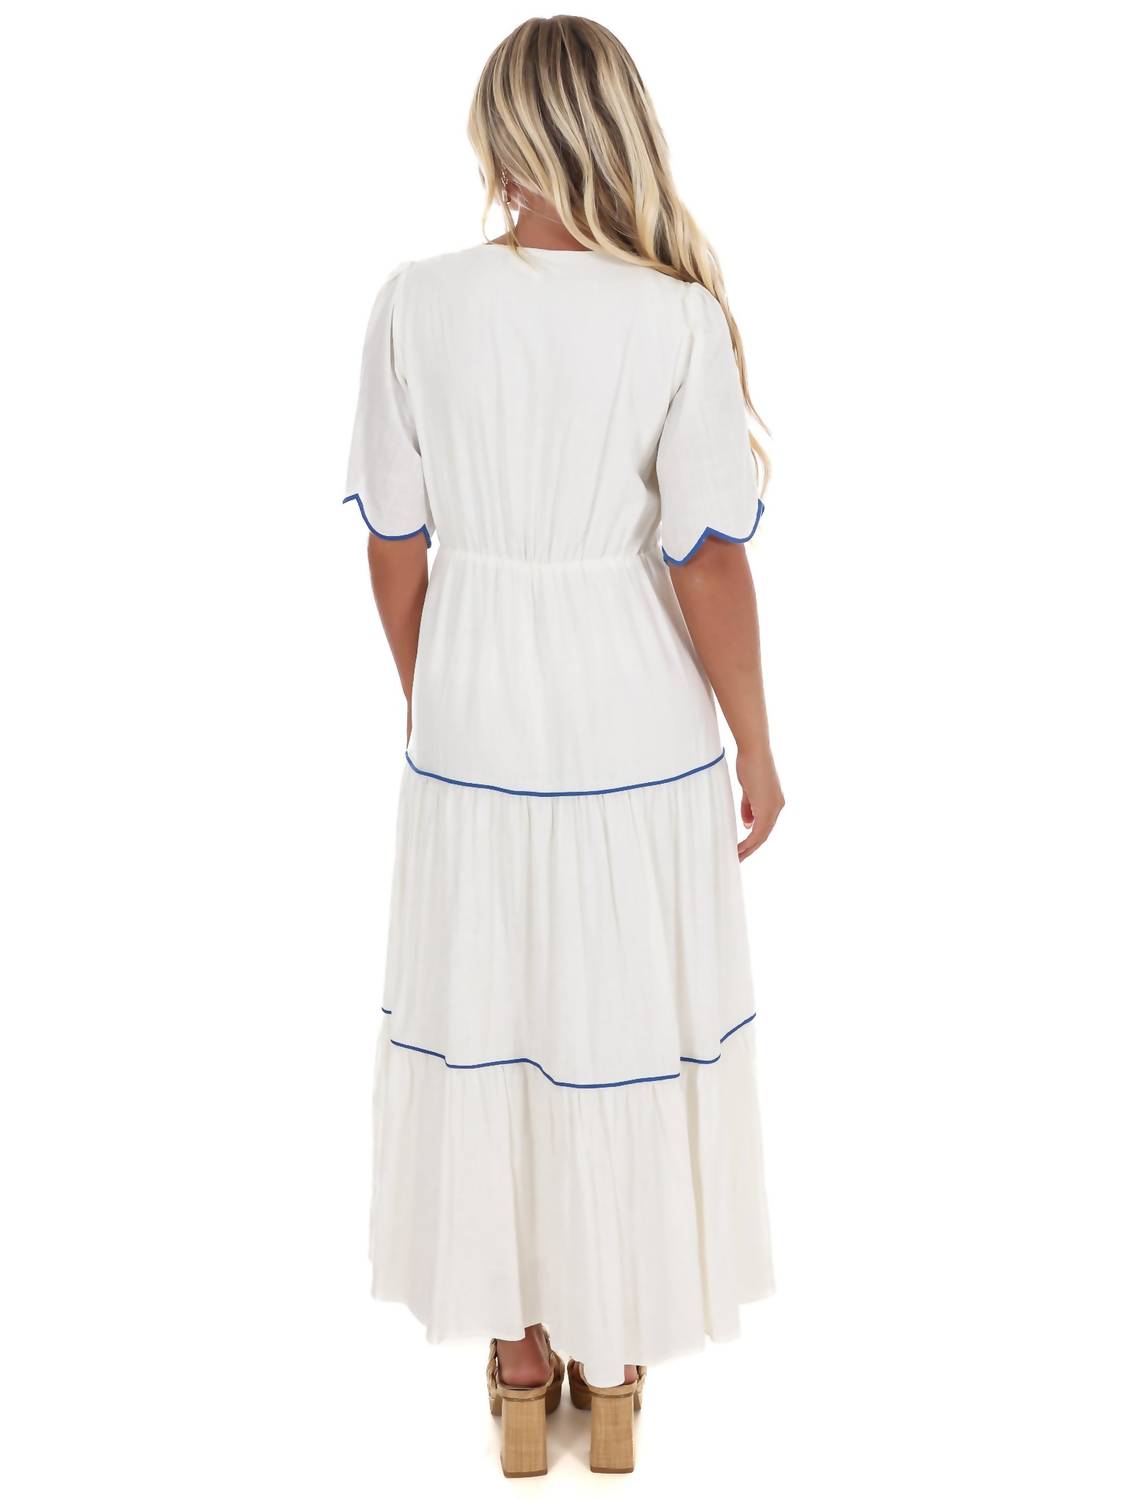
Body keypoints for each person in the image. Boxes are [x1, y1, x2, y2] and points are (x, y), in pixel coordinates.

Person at [342, 15, 783, 1478]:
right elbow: (706, 558)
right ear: (618, 127)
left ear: (497, 135)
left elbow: (393, 541)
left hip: (475, 720)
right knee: (619, 1019)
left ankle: (522, 1362)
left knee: (493, 1012)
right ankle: (614, 1359)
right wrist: (758, 745)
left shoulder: (415, 302)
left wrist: (436, 694)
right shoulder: (674, 317)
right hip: (632, 723)